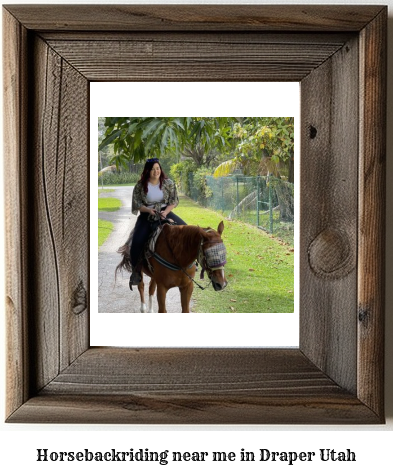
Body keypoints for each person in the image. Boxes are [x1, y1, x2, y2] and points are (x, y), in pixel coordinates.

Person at [129, 158, 186, 286]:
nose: (156, 171)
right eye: (153, 169)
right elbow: (137, 204)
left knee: (186, 229)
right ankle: (136, 271)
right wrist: (149, 211)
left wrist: (165, 213)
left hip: (165, 212)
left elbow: (173, 201)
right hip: (147, 216)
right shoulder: (140, 185)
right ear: (147, 171)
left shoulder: (168, 183)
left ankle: (190, 263)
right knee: (136, 242)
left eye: (158, 168)